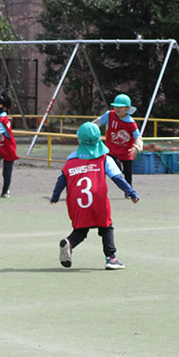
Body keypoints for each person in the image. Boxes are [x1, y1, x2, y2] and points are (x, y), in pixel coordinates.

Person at [50, 121, 139, 270]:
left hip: (76, 200)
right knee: (106, 228)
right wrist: (131, 192)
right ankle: (111, 258)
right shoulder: (105, 159)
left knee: (81, 230)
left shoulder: (72, 158)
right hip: (97, 199)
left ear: (80, 139)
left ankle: (69, 243)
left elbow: (62, 179)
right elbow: (118, 178)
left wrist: (55, 197)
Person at [94, 93, 144, 191]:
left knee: (128, 175)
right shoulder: (109, 115)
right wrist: (86, 129)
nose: (117, 109)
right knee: (109, 167)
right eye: (115, 106)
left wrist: (138, 147)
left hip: (127, 152)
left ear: (127, 108)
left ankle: (129, 191)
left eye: (120, 107)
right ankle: (97, 189)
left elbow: (138, 138)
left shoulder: (131, 123)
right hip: (111, 150)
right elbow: (96, 123)